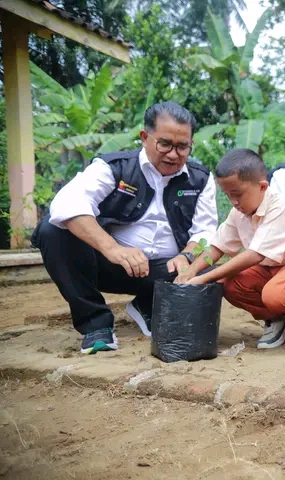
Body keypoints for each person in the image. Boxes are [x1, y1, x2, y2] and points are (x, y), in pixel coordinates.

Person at [31, 101, 218, 354]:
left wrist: (187, 256)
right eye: (164, 144)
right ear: (145, 137)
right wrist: (113, 249)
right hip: (110, 266)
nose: (173, 154)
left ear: (191, 144)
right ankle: (95, 324)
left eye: (182, 146)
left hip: (167, 271)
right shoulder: (113, 167)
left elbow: (206, 232)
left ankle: (148, 304)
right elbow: (66, 204)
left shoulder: (201, 179)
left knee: (211, 267)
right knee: (52, 231)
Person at [175, 148, 285, 349]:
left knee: (276, 293)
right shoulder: (238, 212)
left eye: (237, 194)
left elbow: (254, 256)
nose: (233, 202)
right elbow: (217, 247)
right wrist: (191, 271)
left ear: (262, 186)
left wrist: (204, 278)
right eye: (227, 195)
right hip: (270, 269)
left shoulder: (279, 206)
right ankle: (276, 318)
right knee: (229, 284)